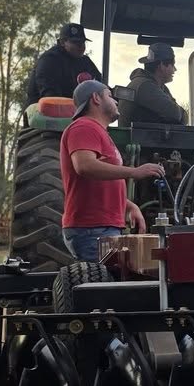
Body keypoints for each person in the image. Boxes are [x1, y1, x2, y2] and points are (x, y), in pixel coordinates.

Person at [62, 81, 162, 262]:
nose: (116, 101)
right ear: (96, 98)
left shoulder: (98, 132)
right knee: (101, 287)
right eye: (109, 95)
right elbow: (84, 166)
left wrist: (130, 207)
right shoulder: (84, 127)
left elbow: (100, 185)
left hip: (102, 227)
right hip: (92, 229)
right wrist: (134, 172)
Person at [25, 22, 101, 105]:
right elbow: (50, 96)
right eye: (75, 42)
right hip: (43, 114)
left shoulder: (85, 61)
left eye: (83, 42)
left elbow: (100, 85)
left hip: (73, 112)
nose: (81, 46)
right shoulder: (49, 60)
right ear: (62, 42)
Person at [123, 43, 187, 125]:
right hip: (140, 138)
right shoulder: (145, 86)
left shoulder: (157, 87)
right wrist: (182, 114)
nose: (175, 69)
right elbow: (176, 114)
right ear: (162, 65)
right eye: (173, 65)